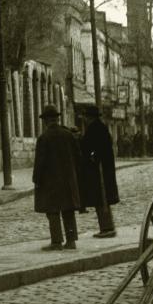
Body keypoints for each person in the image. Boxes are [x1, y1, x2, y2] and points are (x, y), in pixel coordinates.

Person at [33, 105, 81, 250]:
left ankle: (56, 241)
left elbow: (39, 162)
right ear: (57, 119)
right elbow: (78, 157)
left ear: (46, 121)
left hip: (50, 181)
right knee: (68, 210)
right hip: (67, 180)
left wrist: (36, 179)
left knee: (52, 211)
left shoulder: (44, 138)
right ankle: (71, 241)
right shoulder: (68, 135)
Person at [81, 106, 119, 238]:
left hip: (100, 171)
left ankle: (107, 228)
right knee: (103, 200)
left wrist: (92, 157)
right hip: (102, 169)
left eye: (85, 117)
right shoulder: (100, 128)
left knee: (102, 199)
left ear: (90, 117)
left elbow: (92, 149)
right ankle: (107, 227)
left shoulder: (95, 129)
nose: (84, 119)